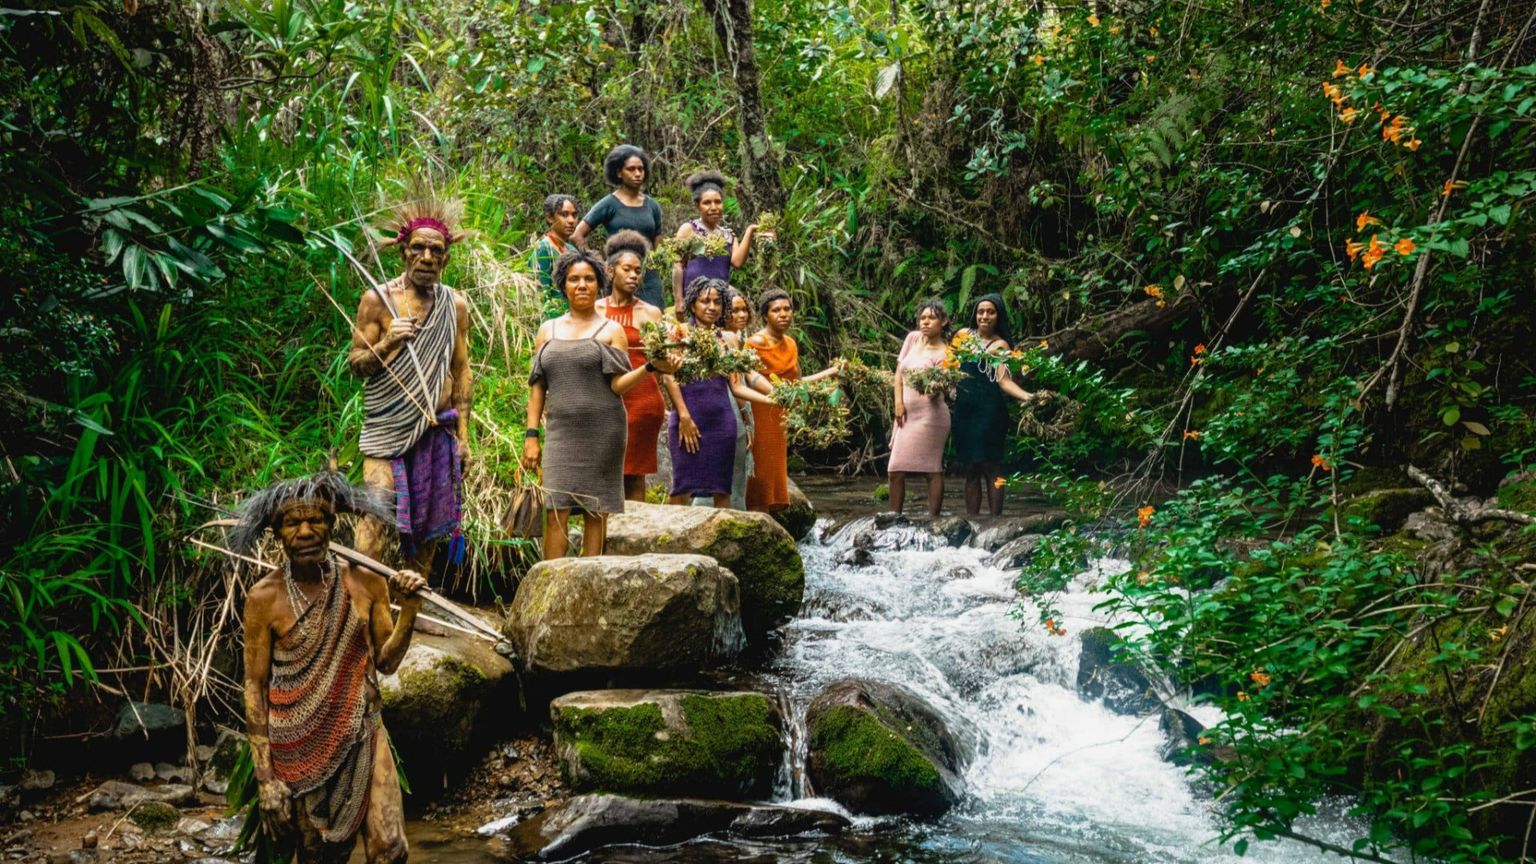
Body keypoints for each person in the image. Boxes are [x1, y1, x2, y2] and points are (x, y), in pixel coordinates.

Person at [234, 470, 427, 864]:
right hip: (300, 746)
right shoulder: (263, 599)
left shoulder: (366, 581)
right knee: (321, 856)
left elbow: (386, 663)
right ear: (276, 531)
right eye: (293, 522)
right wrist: (266, 780)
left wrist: (408, 608)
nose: (306, 531)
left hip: (363, 733)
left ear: (332, 523)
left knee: (391, 849)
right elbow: (254, 686)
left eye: (316, 519)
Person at [348, 198, 472, 585]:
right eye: (418, 247)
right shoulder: (378, 301)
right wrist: (388, 344)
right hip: (388, 429)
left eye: (436, 250)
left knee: (431, 526)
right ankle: (359, 604)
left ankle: (409, 608)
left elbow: (461, 370)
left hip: (439, 429)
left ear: (446, 258)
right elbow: (356, 365)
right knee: (377, 510)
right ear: (404, 251)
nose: (426, 256)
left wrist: (464, 437)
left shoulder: (455, 305)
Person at [522, 249, 677, 558]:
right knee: (556, 510)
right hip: (561, 433)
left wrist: (649, 367)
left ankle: (591, 582)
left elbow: (617, 385)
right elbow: (538, 387)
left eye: (589, 279)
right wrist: (531, 436)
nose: (582, 285)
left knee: (596, 512)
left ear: (598, 284)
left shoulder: (611, 330)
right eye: (574, 279)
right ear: (563, 285)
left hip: (604, 432)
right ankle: (552, 584)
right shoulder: (548, 330)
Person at [663, 277, 775, 508]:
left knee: (721, 489)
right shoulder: (679, 333)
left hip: (722, 422)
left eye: (717, 302)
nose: (711, 307)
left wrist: (772, 399)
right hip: (687, 418)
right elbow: (668, 376)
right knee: (681, 487)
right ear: (693, 304)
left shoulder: (729, 340)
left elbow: (738, 385)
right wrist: (684, 416)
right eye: (705, 301)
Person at [746, 289, 839, 512]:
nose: (783, 314)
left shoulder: (790, 343)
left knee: (775, 476)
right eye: (776, 310)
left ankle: (770, 524)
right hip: (760, 413)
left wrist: (829, 373)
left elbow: (795, 384)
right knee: (760, 475)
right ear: (765, 315)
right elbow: (749, 379)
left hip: (780, 416)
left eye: (787, 309)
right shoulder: (754, 343)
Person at [950, 293, 1042, 516]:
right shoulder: (962, 335)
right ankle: (973, 520)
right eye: (981, 311)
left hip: (990, 412)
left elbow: (1004, 381)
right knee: (970, 468)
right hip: (964, 412)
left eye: (990, 312)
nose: (984, 316)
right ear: (975, 314)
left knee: (992, 466)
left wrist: (1029, 397)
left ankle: (995, 520)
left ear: (998, 316)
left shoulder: (1000, 345)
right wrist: (947, 386)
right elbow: (948, 366)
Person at [595, 230, 667, 502]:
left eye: (638, 270)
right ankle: (604, 532)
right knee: (605, 469)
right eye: (627, 269)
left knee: (635, 472)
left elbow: (663, 361)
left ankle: (635, 537)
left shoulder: (651, 313)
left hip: (643, 401)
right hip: (603, 399)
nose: (635, 275)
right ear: (611, 271)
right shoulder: (595, 309)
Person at [573, 145, 666, 309]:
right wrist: (599, 266)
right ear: (618, 172)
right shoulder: (609, 204)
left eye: (641, 169)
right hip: (618, 277)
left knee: (652, 324)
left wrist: (660, 264)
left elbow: (658, 245)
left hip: (649, 278)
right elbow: (577, 234)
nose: (637, 174)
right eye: (631, 169)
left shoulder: (652, 206)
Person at [889, 299, 951, 518]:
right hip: (906, 414)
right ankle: (894, 517)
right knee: (895, 469)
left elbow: (940, 388)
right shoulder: (912, 338)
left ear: (943, 321)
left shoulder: (946, 353)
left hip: (931, 416)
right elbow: (899, 372)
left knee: (932, 468)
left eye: (931, 318)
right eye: (922, 318)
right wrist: (898, 404)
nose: (925, 322)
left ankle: (934, 518)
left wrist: (934, 385)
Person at [672, 171, 761, 310]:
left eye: (717, 202)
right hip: (694, 302)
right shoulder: (689, 229)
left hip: (720, 302)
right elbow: (678, 265)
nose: (713, 207)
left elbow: (737, 262)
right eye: (707, 203)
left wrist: (750, 231)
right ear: (697, 205)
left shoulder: (728, 235)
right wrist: (678, 300)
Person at [530, 194, 580, 318]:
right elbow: (541, 297)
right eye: (564, 214)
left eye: (574, 215)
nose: (571, 220)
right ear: (550, 217)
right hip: (554, 322)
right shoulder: (543, 249)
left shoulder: (572, 250)